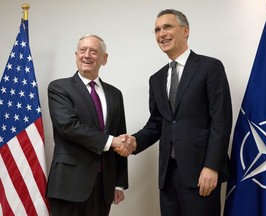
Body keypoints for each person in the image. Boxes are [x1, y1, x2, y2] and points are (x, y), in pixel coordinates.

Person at [118, 9, 233, 216]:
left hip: (201, 173)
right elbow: (157, 124)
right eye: (157, 30)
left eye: (167, 26)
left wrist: (212, 167)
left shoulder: (210, 67)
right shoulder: (156, 79)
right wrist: (134, 141)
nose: (161, 33)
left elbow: (221, 121)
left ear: (185, 30)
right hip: (167, 176)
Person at [46, 34, 130, 216]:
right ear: (76, 55)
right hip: (68, 184)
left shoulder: (115, 94)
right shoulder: (59, 88)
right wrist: (112, 141)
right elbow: (67, 126)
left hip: (103, 186)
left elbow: (120, 136)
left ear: (104, 58)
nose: (87, 55)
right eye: (83, 50)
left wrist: (119, 183)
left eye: (93, 51)